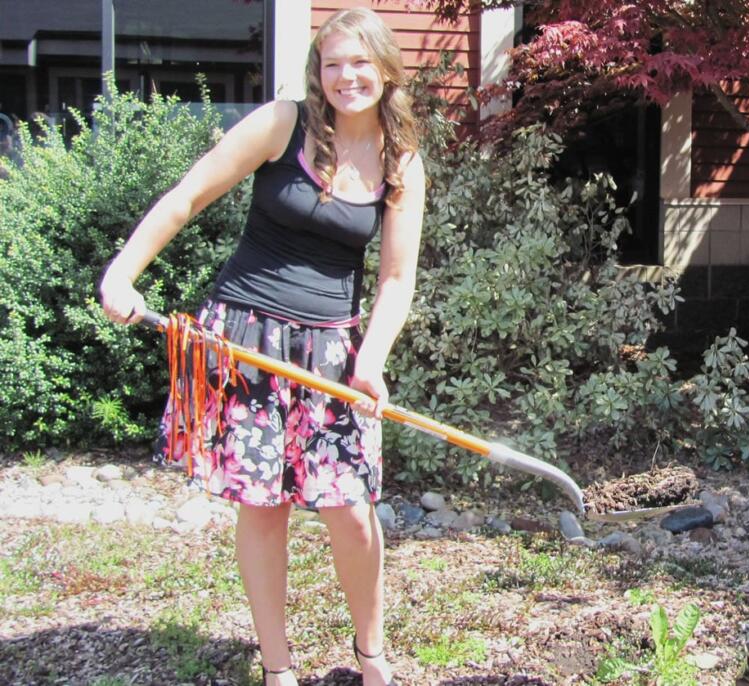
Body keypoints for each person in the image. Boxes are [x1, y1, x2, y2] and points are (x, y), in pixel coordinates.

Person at [99, 8, 424, 686]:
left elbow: (395, 280)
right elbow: (187, 196)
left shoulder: (402, 161)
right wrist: (122, 274)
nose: (347, 77)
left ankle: (371, 656)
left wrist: (371, 363)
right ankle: (278, 669)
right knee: (264, 507)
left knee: (351, 510)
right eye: (333, 63)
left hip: (333, 352)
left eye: (360, 63)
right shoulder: (285, 124)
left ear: (387, 69)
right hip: (244, 339)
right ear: (318, 70)